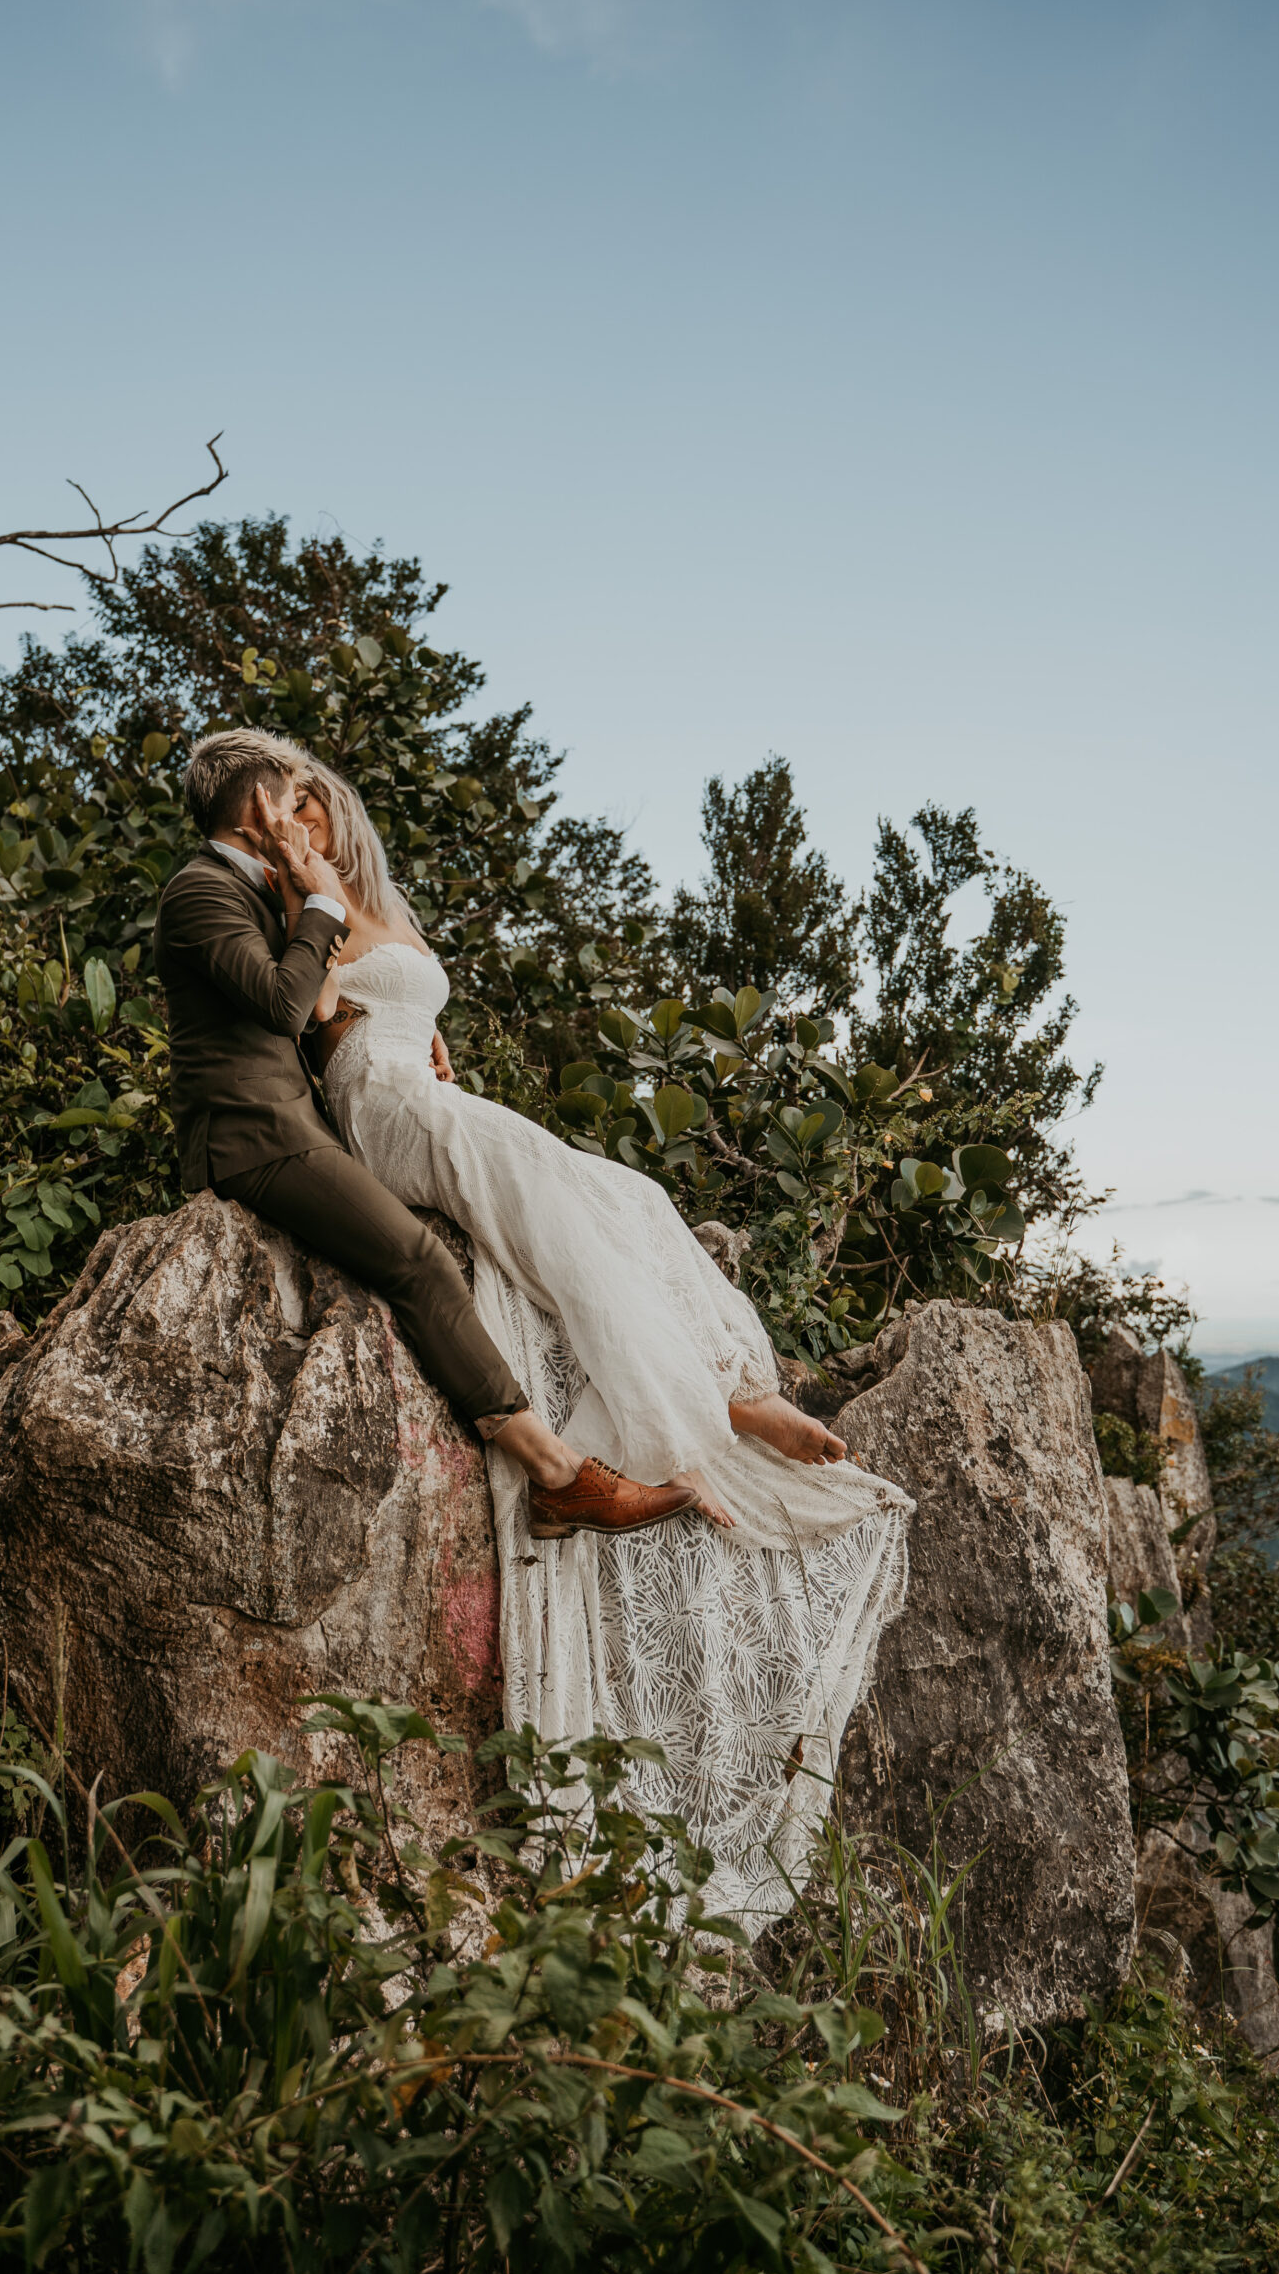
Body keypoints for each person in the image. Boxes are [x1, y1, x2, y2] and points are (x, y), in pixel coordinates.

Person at [237, 728, 914, 1931]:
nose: (295, 825)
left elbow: (395, 1003)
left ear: (329, 804)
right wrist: (328, 964)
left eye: (302, 805)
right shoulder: (301, 901)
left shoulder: (363, 895)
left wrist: (413, 1023)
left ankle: (723, 1381)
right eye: (276, 814)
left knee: (629, 1195)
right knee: (556, 1197)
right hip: (382, 1111)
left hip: (428, 1090)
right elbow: (300, 1011)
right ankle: (694, 1414)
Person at [152, 729, 710, 1540]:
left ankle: (572, 1464)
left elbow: (315, 999)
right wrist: (320, 907)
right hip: (253, 1134)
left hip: (293, 1123)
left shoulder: (251, 886)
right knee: (415, 1259)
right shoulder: (202, 889)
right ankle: (557, 1475)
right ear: (254, 808)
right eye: (286, 797)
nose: (299, 816)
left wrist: (405, 1019)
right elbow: (279, 1003)